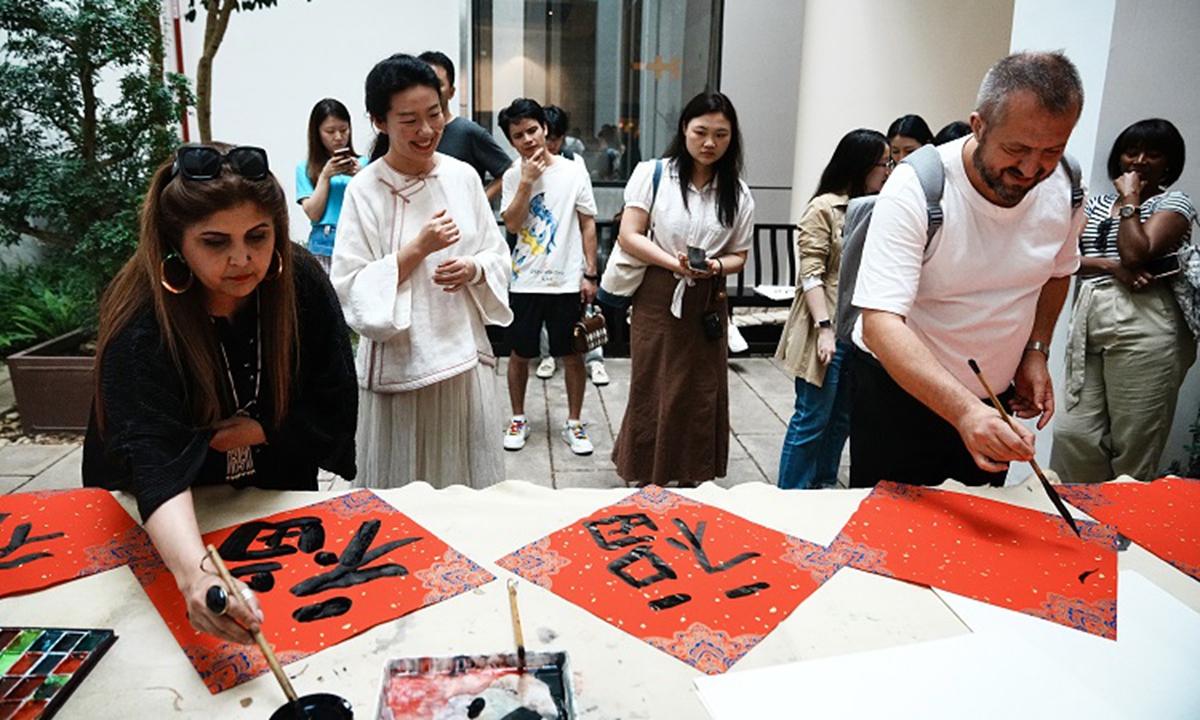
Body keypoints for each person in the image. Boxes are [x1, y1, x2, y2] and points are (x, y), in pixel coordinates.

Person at [83, 142, 358, 645]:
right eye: (214, 242)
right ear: (175, 242)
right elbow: (150, 457)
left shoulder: (300, 281)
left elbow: (335, 395)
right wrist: (195, 575)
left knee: (300, 629)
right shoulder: (141, 320)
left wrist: (265, 430)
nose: (242, 259)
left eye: (259, 236)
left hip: (276, 485)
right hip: (168, 514)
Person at [850, 51, 1086, 488]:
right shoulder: (918, 186)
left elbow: (1057, 271)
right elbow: (881, 323)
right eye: (1016, 149)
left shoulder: (1067, 184)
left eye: (1052, 150)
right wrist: (963, 411)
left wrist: (1036, 350)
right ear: (978, 126)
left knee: (981, 536)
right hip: (901, 397)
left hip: (993, 401)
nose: (1031, 169)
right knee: (891, 538)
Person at [332, 53, 512, 488]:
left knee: (466, 484)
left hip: (463, 358)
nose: (427, 130)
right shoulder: (365, 189)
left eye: (434, 114)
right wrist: (418, 249)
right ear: (379, 122)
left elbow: (497, 253)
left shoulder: (464, 176)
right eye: (409, 120)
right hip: (401, 366)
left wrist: (473, 268)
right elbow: (349, 285)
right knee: (401, 493)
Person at [612, 91, 754, 486]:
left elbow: (739, 255)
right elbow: (629, 235)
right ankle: (645, 469)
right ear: (684, 130)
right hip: (659, 292)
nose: (710, 143)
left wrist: (714, 266)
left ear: (732, 138)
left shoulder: (738, 193)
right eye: (701, 132)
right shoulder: (653, 174)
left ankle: (693, 471)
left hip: (708, 296)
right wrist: (673, 262)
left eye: (721, 135)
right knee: (653, 383)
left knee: (700, 389)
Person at [1051, 119, 1196, 483]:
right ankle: (1093, 513)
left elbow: (1138, 251)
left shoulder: (1174, 203)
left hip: (1147, 317)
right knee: (1073, 433)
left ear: (1170, 163)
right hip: (1091, 310)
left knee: (1133, 446)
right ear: (1117, 158)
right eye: (1132, 151)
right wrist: (1110, 267)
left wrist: (1131, 200)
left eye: (1154, 153)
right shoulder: (1096, 204)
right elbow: (1062, 258)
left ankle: (1120, 528)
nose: (1140, 160)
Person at [775, 129, 891, 490]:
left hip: (857, 332)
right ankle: (790, 494)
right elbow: (810, 274)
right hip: (823, 329)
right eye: (883, 163)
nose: (889, 170)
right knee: (812, 417)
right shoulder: (823, 207)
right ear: (861, 165)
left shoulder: (876, 206)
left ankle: (823, 485)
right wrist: (824, 327)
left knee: (841, 419)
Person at [497, 98, 600, 455]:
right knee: (519, 353)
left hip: (567, 280)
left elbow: (587, 222)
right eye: (518, 135)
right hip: (524, 279)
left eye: (531, 130)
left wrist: (590, 272)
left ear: (544, 129)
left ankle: (574, 422)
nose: (527, 139)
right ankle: (518, 418)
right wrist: (526, 182)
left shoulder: (573, 172)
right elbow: (511, 223)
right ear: (511, 141)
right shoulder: (512, 175)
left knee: (571, 354)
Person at [534, 104, 610, 386]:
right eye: (547, 137)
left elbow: (586, 215)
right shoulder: (529, 164)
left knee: (585, 306)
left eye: (556, 138)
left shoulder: (574, 163)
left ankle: (595, 360)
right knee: (545, 307)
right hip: (541, 251)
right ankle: (547, 355)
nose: (551, 144)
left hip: (572, 248)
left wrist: (590, 267)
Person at [417, 51, 512, 202]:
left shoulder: (469, 132)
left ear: (451, 91)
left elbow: (509, 172)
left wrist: (479, 202)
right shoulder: (408, 132)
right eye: (424, 84)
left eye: (437, 84)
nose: (430, 90)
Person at [295, 98, 366, 273]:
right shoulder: (305, 169)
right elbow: (314, 213)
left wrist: (361, 176)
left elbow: (377, 206)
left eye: (344, 130)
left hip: (358, 240)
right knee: (323, 297)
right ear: (317, 133)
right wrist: (325, 175)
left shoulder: (365, 164)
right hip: (323, 242)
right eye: (330, 131)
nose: (338, 137)